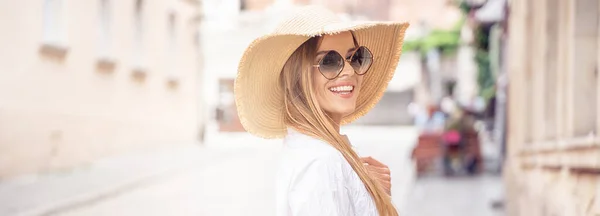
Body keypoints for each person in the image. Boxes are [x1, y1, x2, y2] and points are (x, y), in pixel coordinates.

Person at [234, 6, 409, 216]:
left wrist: (372, 195)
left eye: (355, 57)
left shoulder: (314, 152)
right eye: (328, 61)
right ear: (298, 76)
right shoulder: (322, 162)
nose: (349, 70)